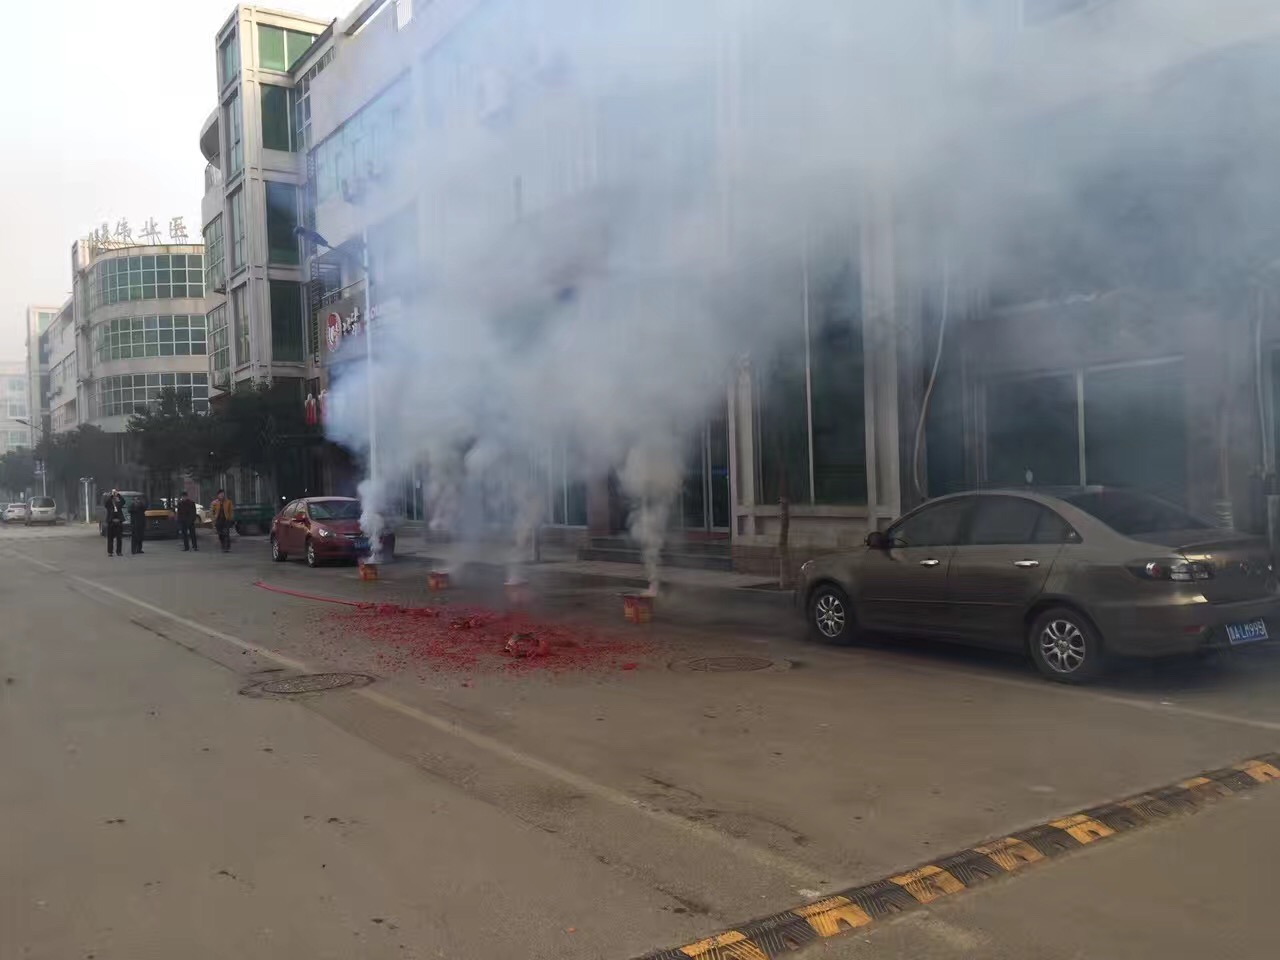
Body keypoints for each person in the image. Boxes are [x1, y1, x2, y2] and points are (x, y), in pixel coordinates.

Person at [103, 489, 125, 558]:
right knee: (110, 538)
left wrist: (118, 495)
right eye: (114, 493)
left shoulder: (119, 501)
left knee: (119, 538)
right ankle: (110, 552)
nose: (115, 494)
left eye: (115, 493)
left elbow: (123, 502)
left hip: (118, 521)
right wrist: (111, 495)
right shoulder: (109, 501)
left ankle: (119, 552)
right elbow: (106, 504)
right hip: (111, 521)